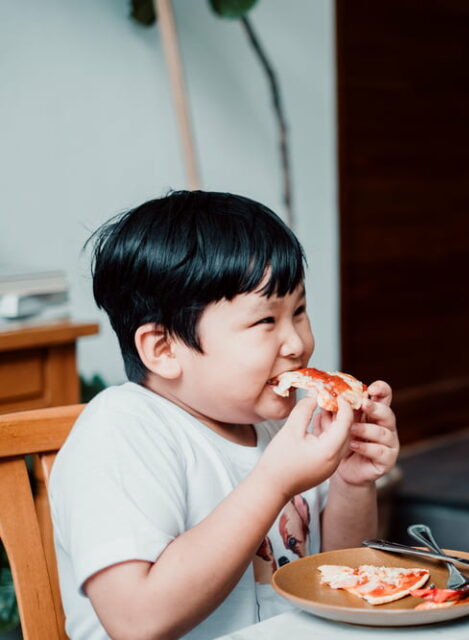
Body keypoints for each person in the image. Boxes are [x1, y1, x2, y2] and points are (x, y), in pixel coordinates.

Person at [50, 190, 400, 639]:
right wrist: (273, 482)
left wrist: (352, 481)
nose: (296, 343)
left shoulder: (282, 428)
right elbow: (137, 621)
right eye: (265, 322)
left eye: (299, 311)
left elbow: (338, 583)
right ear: (163, 350)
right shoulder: (121, 431)